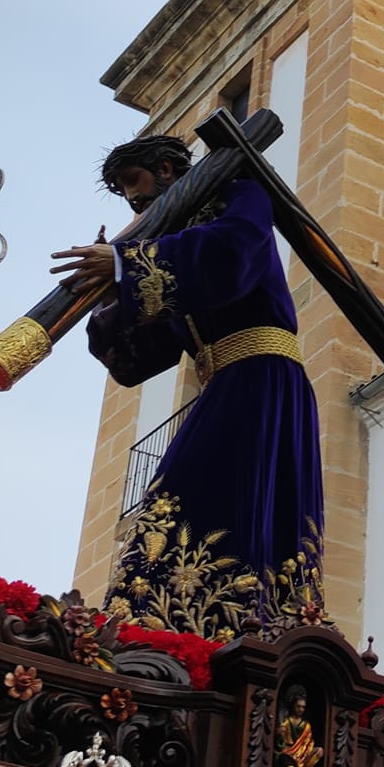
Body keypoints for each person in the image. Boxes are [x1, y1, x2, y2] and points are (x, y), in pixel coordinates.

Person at [55, 130, 324, 639]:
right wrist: (109, 295)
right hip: (224, 382)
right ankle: (185, 625)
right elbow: (139, 359)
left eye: (134, 183)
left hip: (262, 374)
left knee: (207, 492)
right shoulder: (169, 242)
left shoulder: (239, 195)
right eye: (122, 194)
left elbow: (233, 253)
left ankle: (230, 621)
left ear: (167, 168)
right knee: (199, 497)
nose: (132, 200)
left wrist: (125, 264)